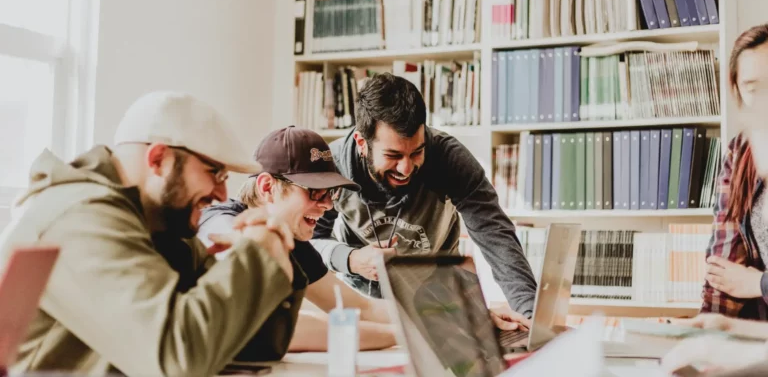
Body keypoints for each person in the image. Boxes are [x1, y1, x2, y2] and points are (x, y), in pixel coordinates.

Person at [0, 91, 303, 376]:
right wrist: (257, 255)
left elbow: (255, 346)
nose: (223, 195)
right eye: (214, 173)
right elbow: (177, 359)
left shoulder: (160, 226)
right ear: (158, 159)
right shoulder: (81, 216)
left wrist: (272, 251)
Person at [310, 72, 538, 322]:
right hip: (363, 305)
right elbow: (311, 242)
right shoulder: (332, 166)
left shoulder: (449, 159)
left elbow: (495, 234)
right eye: (393, 156)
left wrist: (530, 316)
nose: (406, 168)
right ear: (362, 143)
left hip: (438, 300)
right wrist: (351, 259)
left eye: (417, 152)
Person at [197, 125, 398, 351]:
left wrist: (430, 318)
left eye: (330, 193)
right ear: (267, 187)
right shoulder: (220, 224)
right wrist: (400, 336)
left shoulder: (292, 241)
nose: (328, 205)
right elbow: (272, 326)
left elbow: (360, 308)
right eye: (315, 191)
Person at [700, 24, 768, 320]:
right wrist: (707, 327)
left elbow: (745, 281)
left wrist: (757, 283)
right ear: (738, 91)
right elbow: (723, 265)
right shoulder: (741, 151)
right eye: (754, 88)